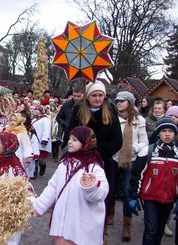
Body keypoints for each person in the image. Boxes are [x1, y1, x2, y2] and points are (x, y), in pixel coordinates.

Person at [65, 80, 122, 243]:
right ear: (88, 97)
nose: (97, 99)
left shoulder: (110, 111)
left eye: (100, 95)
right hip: (79, 161)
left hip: (103, 162)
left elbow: (117, 140)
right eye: (94, 95)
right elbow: (70, 133)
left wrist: (98, 153)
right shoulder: (78, 110)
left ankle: (99, 233)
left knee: (100, 199)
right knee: (78, 196)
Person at [32, 126, 108, 245]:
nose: (69, 142)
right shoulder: (64, 164)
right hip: (63, 224)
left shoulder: (94, 167)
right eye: (69, 138)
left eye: (75, 140)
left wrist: (91, 187)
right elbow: (52, 187)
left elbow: (101, 193)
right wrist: (39, 206)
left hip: (83, 225)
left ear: (86, 143)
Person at [128, 117, 178, 245]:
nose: (167, 134)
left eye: (170, 131)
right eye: (164, 131)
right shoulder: (147, 151)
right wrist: (133, 195)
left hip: (169, 199)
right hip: (150, 198)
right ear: (158, 133)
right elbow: (137, 175)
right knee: (151, 230)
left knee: (159, 230)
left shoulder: (177, 154)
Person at [107, 91, 148, 241]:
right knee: (110, 188)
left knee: (127, 190)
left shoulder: (139, 120)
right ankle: (110, 212)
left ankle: (126, 223)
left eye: (122, 101)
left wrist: (135, 148)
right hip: (114, 158)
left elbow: (144, 141)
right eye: (117, 101)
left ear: (129, 103)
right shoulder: (112, 119)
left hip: (131, 160)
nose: (118, 103)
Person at [31, 105, 52, 178]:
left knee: (40, 159)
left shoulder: (46, 120)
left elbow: (46, 130)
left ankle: (43, 166)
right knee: (34, 157)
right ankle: (34, 172)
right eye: (35, 109)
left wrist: (44, 140)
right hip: (34, 141)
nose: (35, 111)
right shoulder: (33, 120)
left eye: (37, 109)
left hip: (41, 141)